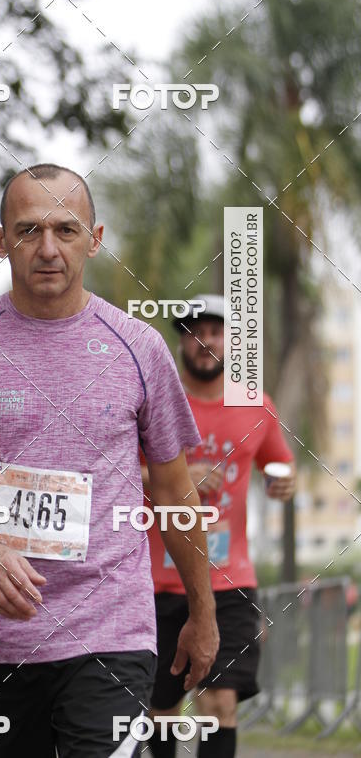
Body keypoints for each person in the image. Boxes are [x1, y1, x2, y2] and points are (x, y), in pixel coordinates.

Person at [0, 163, 219, 757]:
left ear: (95, 239)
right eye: (28, 230)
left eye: (67, 230)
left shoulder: (140, 347)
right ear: (0, 241)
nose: (48, 248)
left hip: (110, 629)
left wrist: (204, 613)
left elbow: (176, 492)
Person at [140, 295, 296, 758]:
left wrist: (282, 482)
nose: (205, 340)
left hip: (230, 579)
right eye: (194, 332)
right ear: (182, 341)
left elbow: (281, 465)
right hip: (157, 581)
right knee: (162, 708)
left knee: (219, 702)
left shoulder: (256, 406)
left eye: (215, 331)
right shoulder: (156, 402)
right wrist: (174, 478)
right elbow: (118, 469)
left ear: (231, 341)